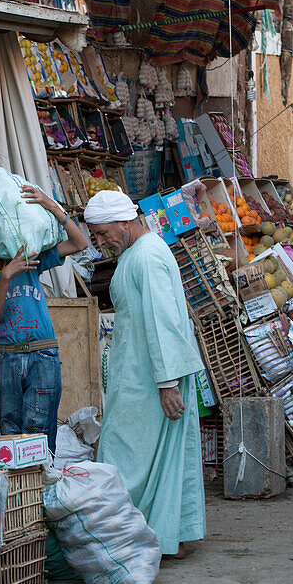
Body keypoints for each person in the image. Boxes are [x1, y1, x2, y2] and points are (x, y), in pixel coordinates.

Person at [84, 190, 206, 559]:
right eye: (95, 236)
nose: (100, 243)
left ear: (125, 222)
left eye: (103, 233)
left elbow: (163, 319)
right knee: (143, 454)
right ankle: (154, 533)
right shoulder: (136, 253)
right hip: (138, 374)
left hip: (152, 379)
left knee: (130, 453)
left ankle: (142, 534)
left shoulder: (148, 256)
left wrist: (167, 383)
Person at [0, 185, 88, 453]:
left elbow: (80, 243)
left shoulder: (26, 259)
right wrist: (5, 276)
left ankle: (41, 490)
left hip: (43, 356)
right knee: (10, 434)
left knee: (40, 435)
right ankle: (19, 492)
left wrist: (50, 205)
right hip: (7, 361)